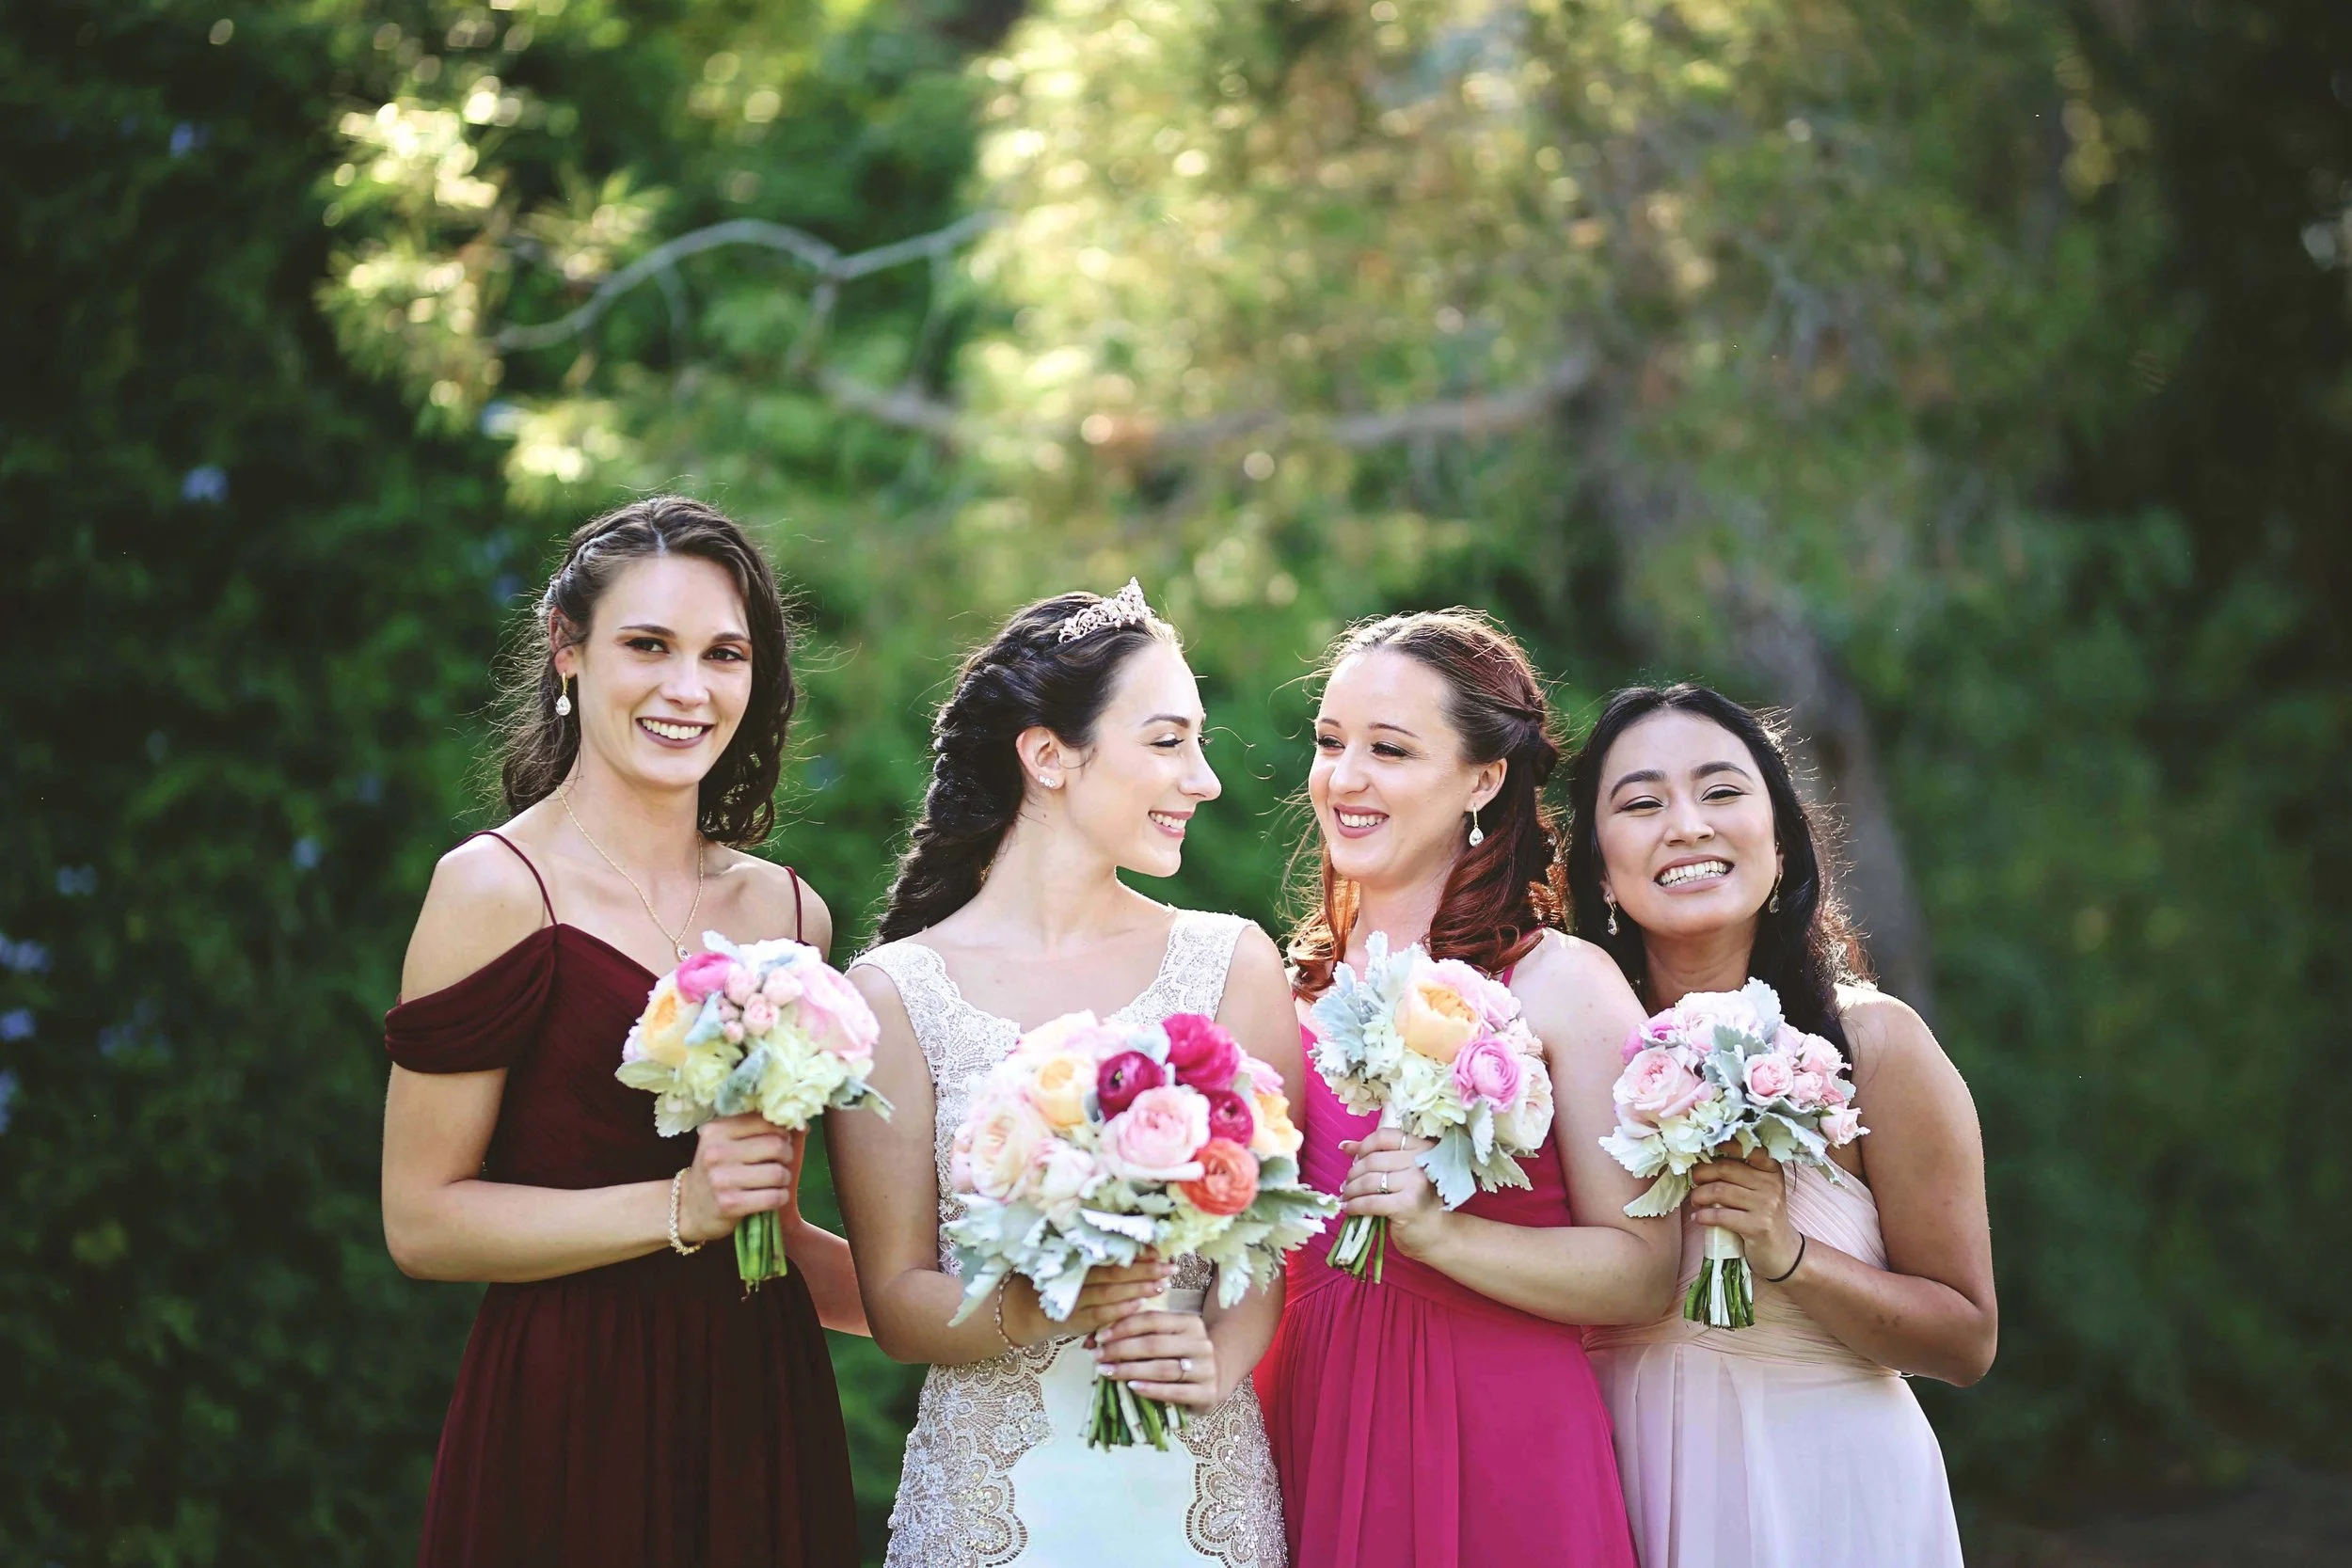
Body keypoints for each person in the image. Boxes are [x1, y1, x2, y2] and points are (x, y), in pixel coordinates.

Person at [380, 496, 862, 1568]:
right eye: (649, 644)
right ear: (568, 649)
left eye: (723, 654)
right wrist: (677, 1204)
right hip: (566, 1412)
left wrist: (1023, 1290)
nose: (687, 688)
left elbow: (772, 1229)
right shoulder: (494, 889)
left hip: (758, 1410)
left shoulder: (791, 914)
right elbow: (422, 1220)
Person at [829, 581, 1296, 1567]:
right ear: (1046, 755)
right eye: (1168, 741)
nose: (1204, 779)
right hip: (991, 1510)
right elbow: (898, 1301)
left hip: (1192, 1497)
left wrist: (1220, 1353)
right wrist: (1047, 1304)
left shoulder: (1233, 965)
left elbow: (1262, 1250)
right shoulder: (894, 994)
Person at [1257, 610, 1676, 1568]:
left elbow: (1644, 1270)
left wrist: (1444, 1234)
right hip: (1308, 1413)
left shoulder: (1558, 983)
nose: (1344, 777)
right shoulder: (1286, 995)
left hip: (1498, 1432)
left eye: (1390, 749)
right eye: (1330, 742)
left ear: (1484, 778)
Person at [1571, 682, 1994, 1568]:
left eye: (1721, 791)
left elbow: (1965, 1339)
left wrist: (1789, 1253)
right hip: (1613, 1489)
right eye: (1642, 802)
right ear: (1599, 866)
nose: (1685, 824)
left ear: (1781, 835)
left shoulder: (1873, 1043)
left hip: (1827, 1492)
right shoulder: (1561, 1051)